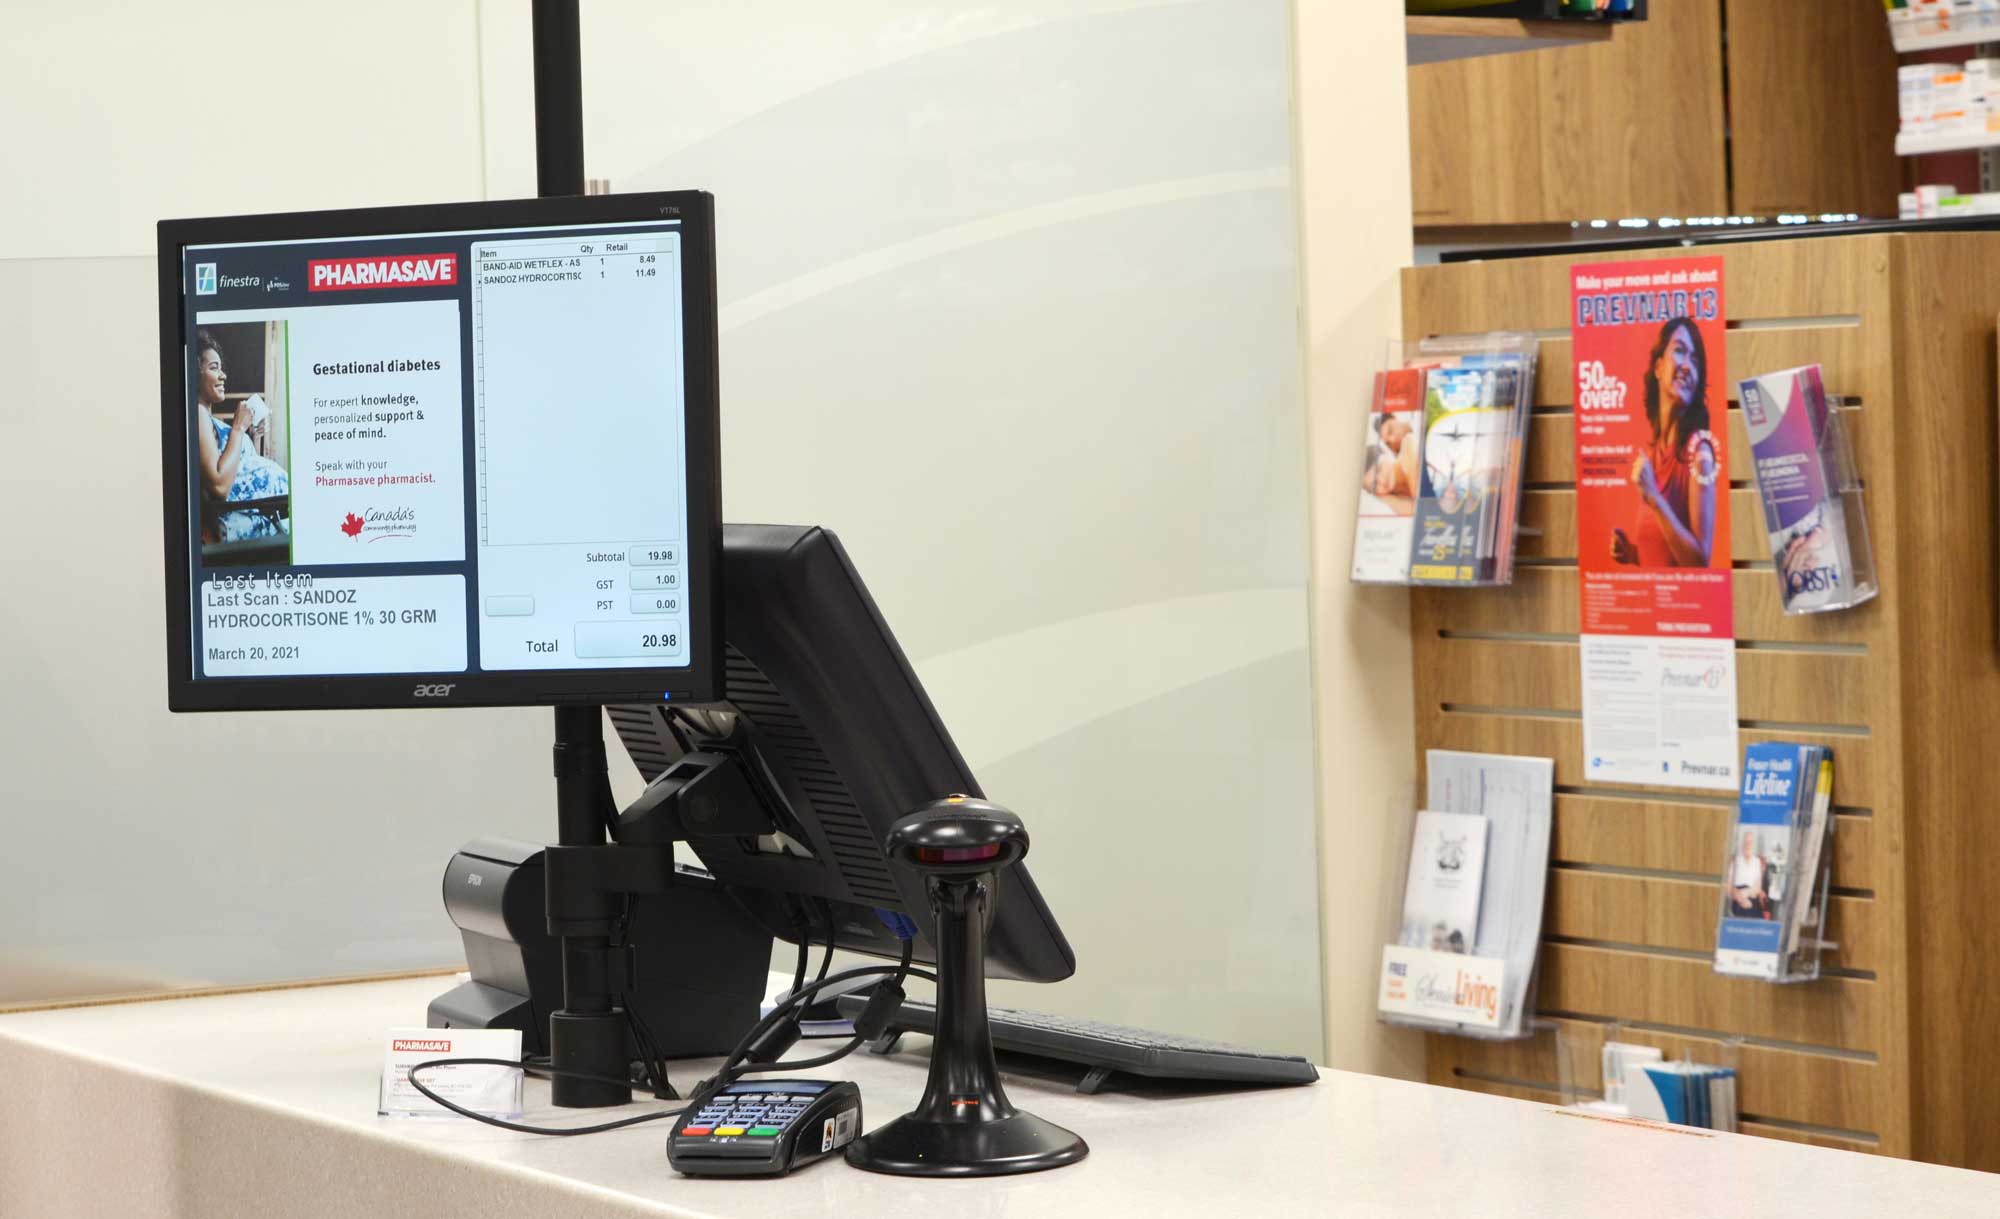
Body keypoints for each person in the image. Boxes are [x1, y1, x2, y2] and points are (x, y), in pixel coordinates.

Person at [1610, 317, 1717, 568]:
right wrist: (1633, 555)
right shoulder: (1653, 453)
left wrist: (1654, 498)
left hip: (1686, 607)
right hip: (1656, 604)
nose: (1688, 366)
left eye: (1696, 360)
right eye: (1680, 351)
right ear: (1658, 368)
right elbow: (1665, 556)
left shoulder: (1699, 453)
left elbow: (1700, 561)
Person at [194, 329, 290, 541]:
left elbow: (241, 474)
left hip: (265, 509)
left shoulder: (211, 421)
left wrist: (252, 436)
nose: (223, 375)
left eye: (221, 368)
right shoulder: (197, 413)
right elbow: (220, 486)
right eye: (213, 368)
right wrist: (238, 427)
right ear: (194, 373)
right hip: (248, 516)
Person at [1364, 412, 1421, 506]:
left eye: (1379, 469)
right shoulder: (1395, 496)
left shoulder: (1408, 443)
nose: (1393, 440)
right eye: (1374, 485)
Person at [1728, 830, 1769, 919]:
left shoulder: (1757, 861)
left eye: (1750, 842)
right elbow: (1728, 886)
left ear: (1753, 845)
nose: (1748, 845)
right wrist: (1740, 899)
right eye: (1746, 842)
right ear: (1742, 844)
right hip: (1737, 897)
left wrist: (1747, 893)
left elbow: (1758, 887)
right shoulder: (1735, 861)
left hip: (1751, 896)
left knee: (1757, 921)